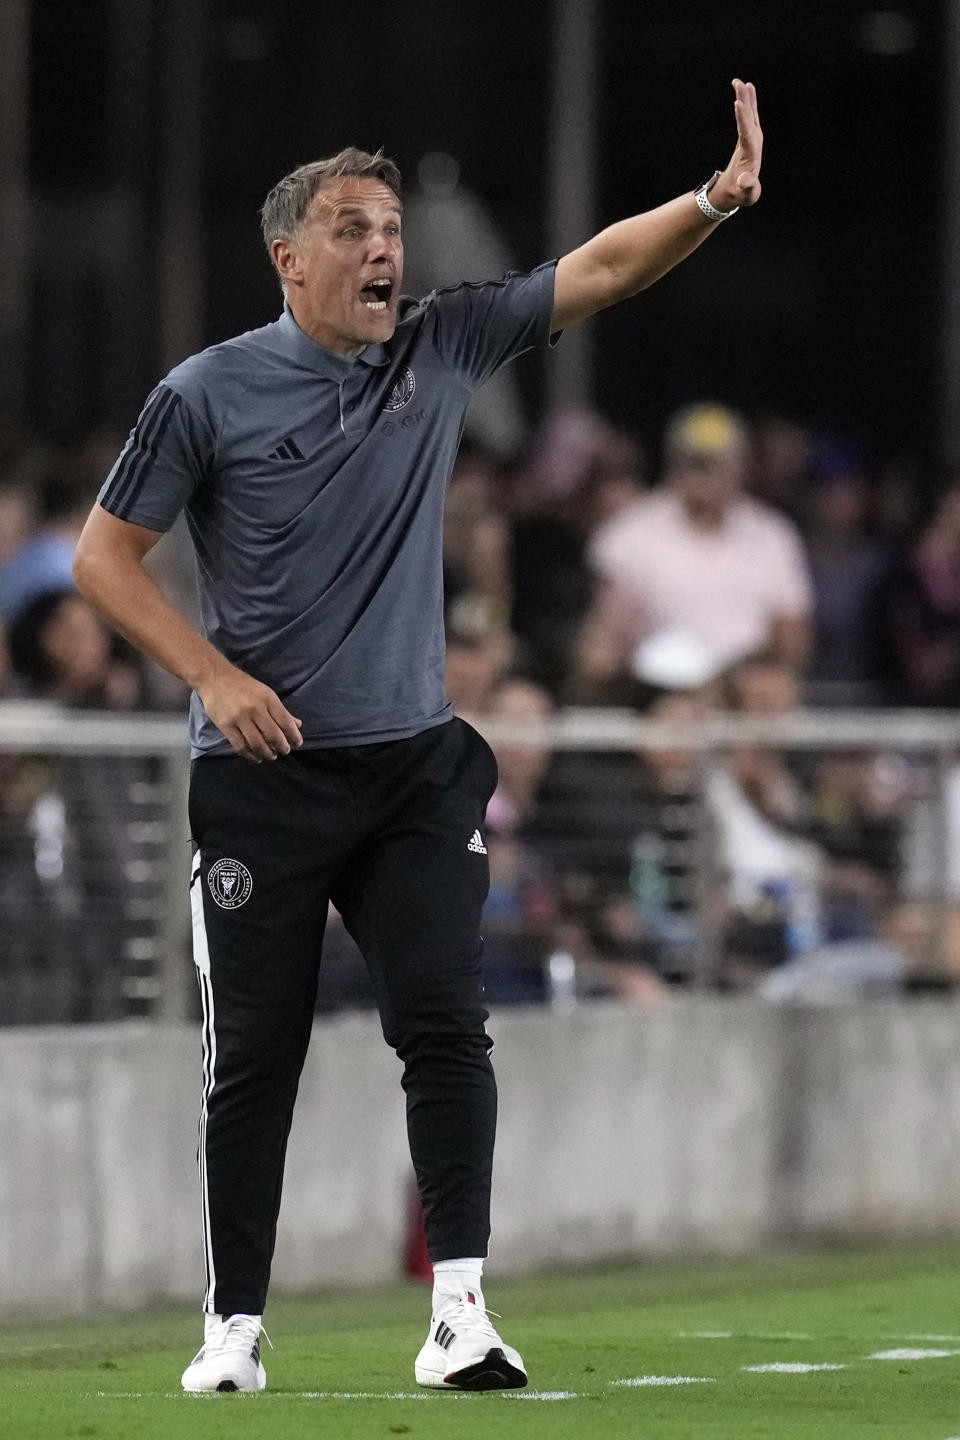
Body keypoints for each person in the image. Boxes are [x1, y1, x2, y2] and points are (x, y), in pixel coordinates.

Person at [72, 79, 763, 1395]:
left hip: (407, 766)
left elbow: (603, 268)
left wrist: (712, 201)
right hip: (260, 776)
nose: (384, 246)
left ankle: (461, 1315)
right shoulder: (204, 395)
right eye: (351, 227)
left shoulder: (441, 347)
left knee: (444, 1022)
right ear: (290, 258)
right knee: (254, 1062)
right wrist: (212, 675)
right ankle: (234, 1328)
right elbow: (108, 563)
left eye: (388, 225)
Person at [576, 401, 813, 698]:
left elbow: (792, 635)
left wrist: (759, 674)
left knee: (773, 689)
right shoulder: (630, 533)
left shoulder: (773, 535)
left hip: (743, 686)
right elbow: (609, 629)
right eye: (695, 462)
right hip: (654, 689)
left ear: (739, 466)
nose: (704, 474)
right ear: (673, 463)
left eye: (715, 463)